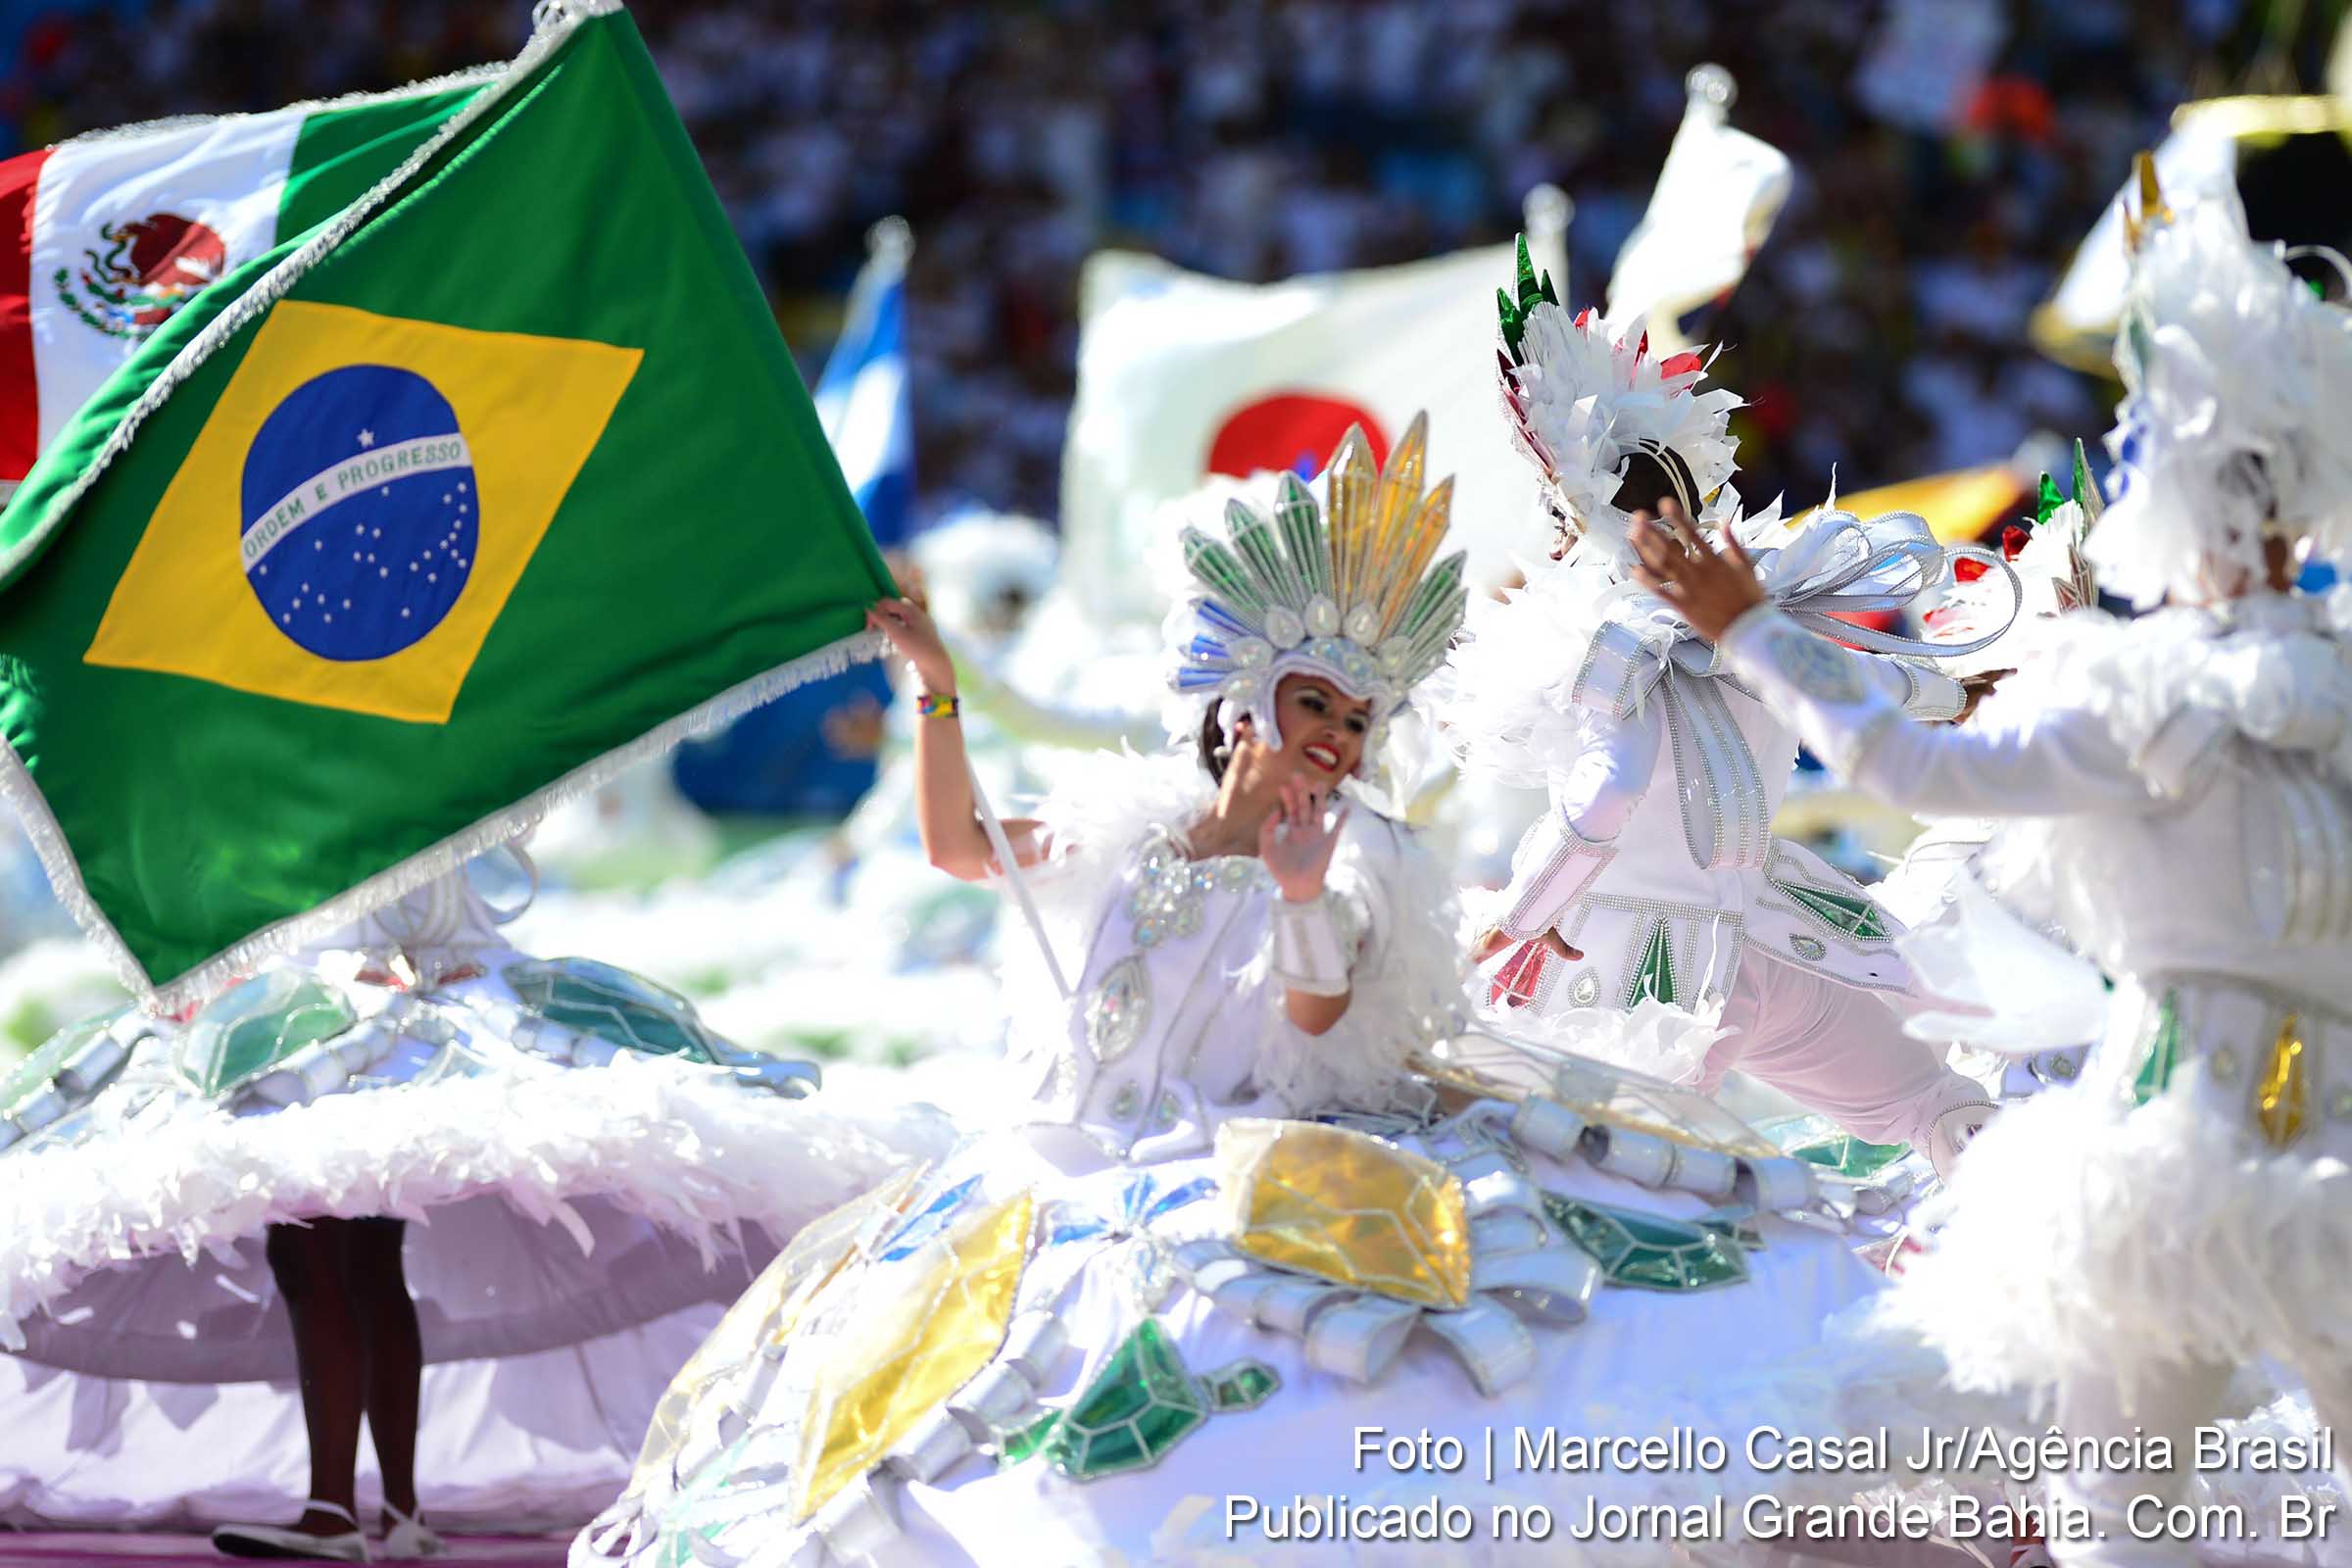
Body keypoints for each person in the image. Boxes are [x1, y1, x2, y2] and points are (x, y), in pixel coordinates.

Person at [573, 416, 1954, 1568]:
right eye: (1318, 706)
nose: (1339, 737)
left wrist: (1298, 894)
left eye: (1358, 720)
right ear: (1247, 705)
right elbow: (958, 847)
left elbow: (1315, 1024)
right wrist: (932, 686)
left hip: (1241, 1166)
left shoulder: (1363, 856)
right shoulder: (1125, 823)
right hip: (1046, 1178)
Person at [1627, 174, 2352, 1566]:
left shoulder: (2151, 692)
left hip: (2174, 1150)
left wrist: (1753, 629)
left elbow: (1911, 770)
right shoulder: (2304, 689)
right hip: (2317, 1141)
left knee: (2118, 1521)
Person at [0, 853, 942, 1560]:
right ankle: (390, 1511)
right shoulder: (372, 738)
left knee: (327, 1247)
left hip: (364, 1002)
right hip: (358, 995)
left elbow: (395, 873)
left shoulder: (364, 748)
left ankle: (345, 1511)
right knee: (350, 1252)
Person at [1432, 248, 2008, 1175]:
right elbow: (1864, 690)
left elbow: (1605, 796)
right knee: (1934, 1106)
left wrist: (1521, 913)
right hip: (1776, 939)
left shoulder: (1606, 639)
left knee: (1596, 1180)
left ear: (1575, 518)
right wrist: (1960, 693)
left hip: (1634, 973)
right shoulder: (1758, 621)